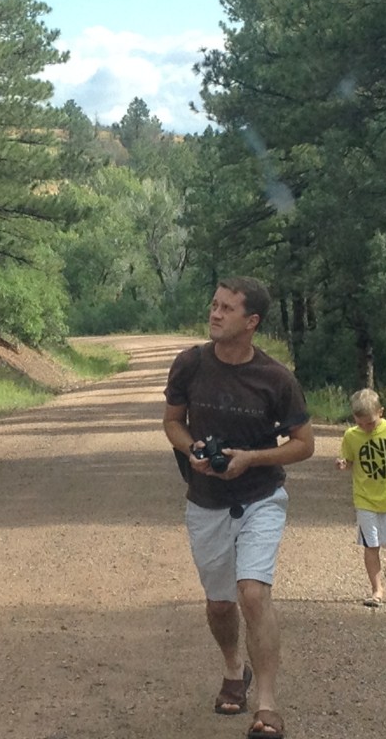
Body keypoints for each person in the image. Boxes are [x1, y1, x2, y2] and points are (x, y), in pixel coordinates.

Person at [163, 277, 314, 739]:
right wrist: (191, 450)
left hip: (260, 497)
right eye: (214, 304)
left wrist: (252, 459)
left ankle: (267, 707)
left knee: (253, 592)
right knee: (220, 603)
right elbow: (172, 422)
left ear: (251, 322)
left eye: (227, 308)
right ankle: (234, 669)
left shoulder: (276, 378)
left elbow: (305, 444)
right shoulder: (189, 364)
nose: (215, 313)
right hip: (205, 501)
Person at [335, 388, 386, 607]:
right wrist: (344, 464)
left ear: (381, 412)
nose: (366, 428)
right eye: (361, 424)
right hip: (365, 499)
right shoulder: (351, 436)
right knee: (371, 545)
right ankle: (376, 589)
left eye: (370, 423)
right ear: (354, 419)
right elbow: (349, 460)